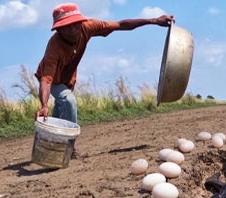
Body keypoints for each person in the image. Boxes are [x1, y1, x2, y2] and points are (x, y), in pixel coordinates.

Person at [34, 3, 173, 144]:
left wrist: (154, 20)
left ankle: (47, 143)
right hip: (52, 80)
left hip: (68, 79)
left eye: (75, 24)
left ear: (80, 21)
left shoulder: (87, 27)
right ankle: (69, 147)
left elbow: (121, 25)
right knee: (68, 101)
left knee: (60, 115)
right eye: (66, 27)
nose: (72, 29)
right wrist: (44, 105)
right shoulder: (54, 47)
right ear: (59, 29)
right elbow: (46, 80)